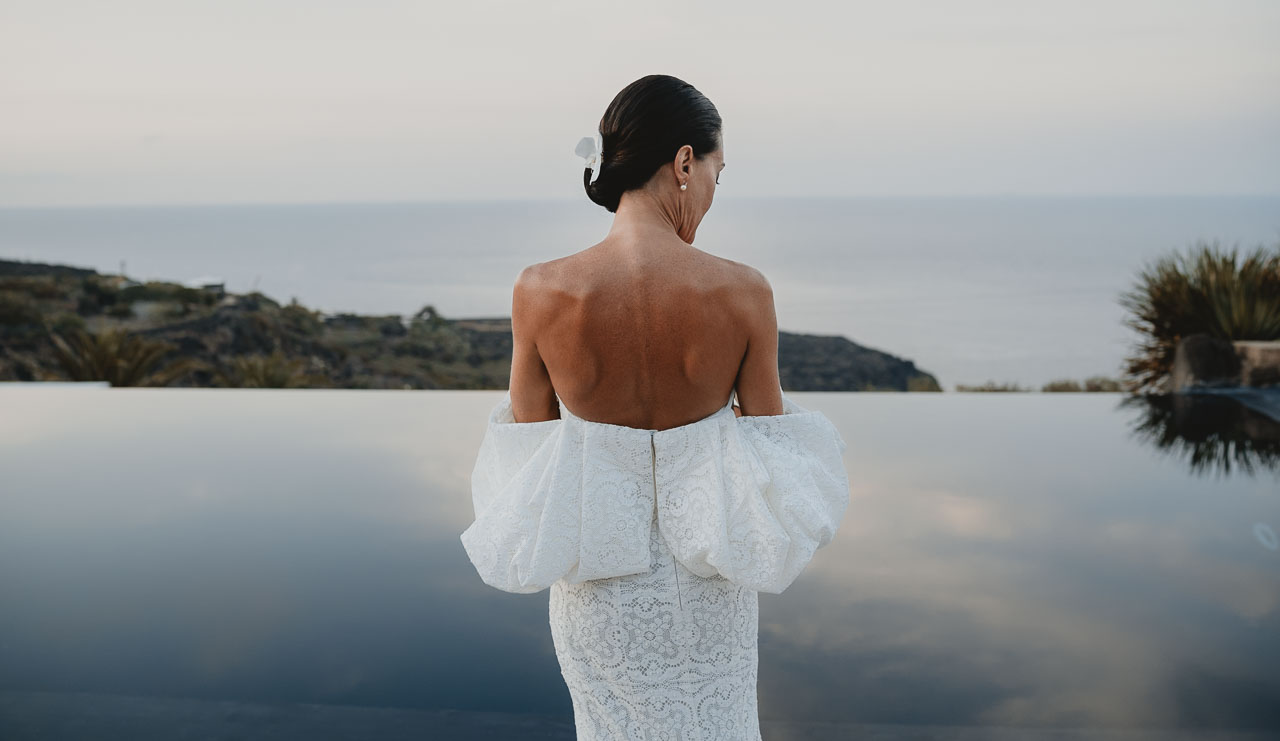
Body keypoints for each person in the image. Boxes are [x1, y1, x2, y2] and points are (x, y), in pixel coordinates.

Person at [459, 74, 850, 741]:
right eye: (716, 175)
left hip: (597, 592)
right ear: (685, 161)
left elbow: (527, 471)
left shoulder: (540, 290)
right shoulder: (743, 291)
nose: (711, 196)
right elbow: (773, 461)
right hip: (711, 585)